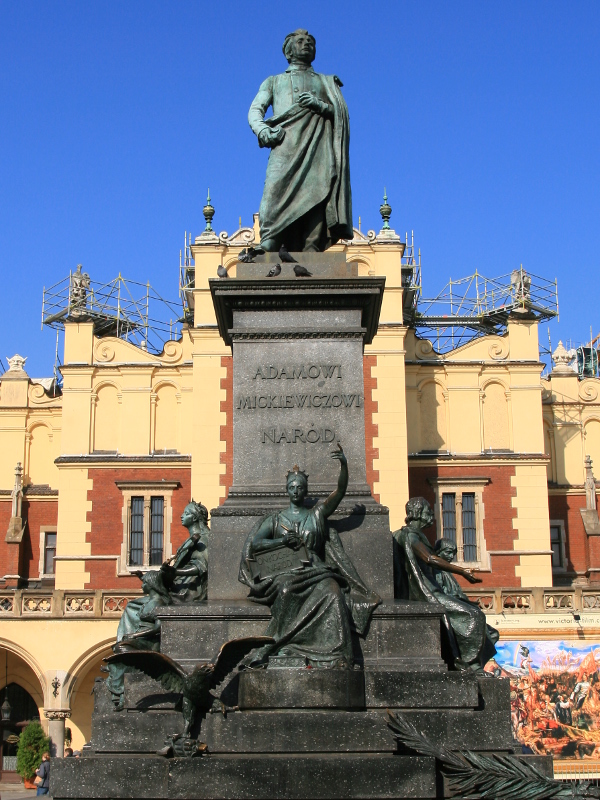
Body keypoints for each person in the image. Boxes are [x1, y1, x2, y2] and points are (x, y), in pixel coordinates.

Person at [239, 444, 380, 668]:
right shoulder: (276, 519)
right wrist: (281, 541)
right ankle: (283, 644)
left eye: (300, 487)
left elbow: (339, 493)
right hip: (286, 569)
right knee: (285, 590)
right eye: (292, 487)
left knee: (334, 592)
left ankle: (335, 654)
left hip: (316, 569)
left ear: (305, 491)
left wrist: (344, 465)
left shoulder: (317, 514)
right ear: (287, 490)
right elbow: (256, 543)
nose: (296, 490)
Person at [248, 29, 352, 253]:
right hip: (285, 144)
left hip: (318, 146)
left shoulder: (326, 82)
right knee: (273, 191)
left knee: (318, 189)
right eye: (300, 41)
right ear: (288, 50)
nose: (306, 44)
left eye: (310, 42)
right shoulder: (274, 81)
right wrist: (262, 130)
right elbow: (255, 110)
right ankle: (270, 239)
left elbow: (341, 114)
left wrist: (319, 105)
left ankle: (312, 245)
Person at [393, 498, 496, 673]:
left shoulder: (417, 536)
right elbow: (429, 558)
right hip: (428, 593)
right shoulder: (410, 536)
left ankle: (472, 664)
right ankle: (471, 665)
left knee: (477, 619)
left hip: (435, 591)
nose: (432, 515)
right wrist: (462, 571)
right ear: (417, 514)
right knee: (473, 616)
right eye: (428, 512)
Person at [167, 500, 209, 603]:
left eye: (186, 513)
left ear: (194, 518)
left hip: (189, 590)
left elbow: (201, 567)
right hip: (181, 585)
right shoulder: (191, 540)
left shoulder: (202, 539)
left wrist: (174, 572)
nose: (181, 516)